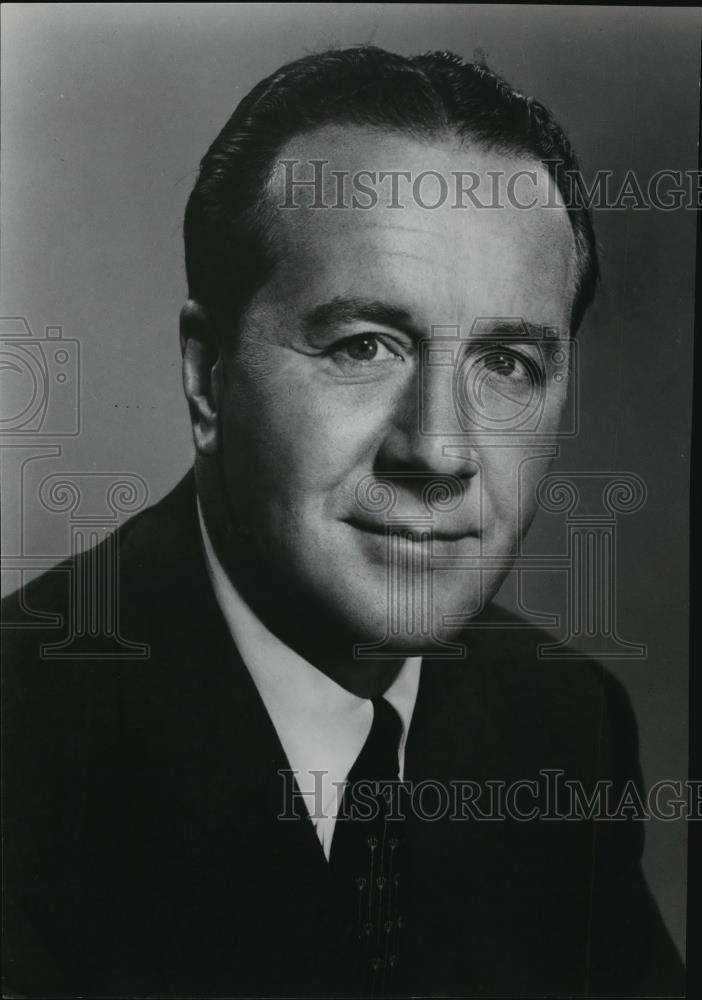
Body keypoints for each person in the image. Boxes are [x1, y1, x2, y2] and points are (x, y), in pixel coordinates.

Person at [2, 46, 685, 997]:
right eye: (366, 345)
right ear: (209, 380)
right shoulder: (23, 746)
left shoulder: (565, 731)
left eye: (506, 364)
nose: (439, 451)